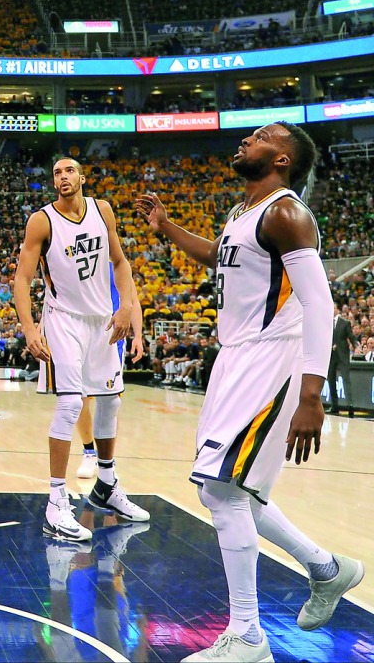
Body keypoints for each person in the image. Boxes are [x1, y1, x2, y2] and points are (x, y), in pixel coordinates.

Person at [137, 123, 365, 663]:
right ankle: (327, 569)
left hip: (273, 360)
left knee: (222, 491)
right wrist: (167, 226)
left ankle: (248, 635)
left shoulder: (288, 213)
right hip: (235, 360)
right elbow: (220, 259)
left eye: (260, 137)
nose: (245, 141)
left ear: (282, 159)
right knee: (229, 492)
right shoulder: (243, 214)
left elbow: (319, 305)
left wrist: (312, 394)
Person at [15, 157, 150, 544]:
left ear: (82, 177)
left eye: (69, 171)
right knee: (72, 403)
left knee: (110, 402)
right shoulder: (42, 221)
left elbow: (120, 263)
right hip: (64, 320)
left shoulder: (101, 209)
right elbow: (22, 278)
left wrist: (125, 305)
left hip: (102, 319)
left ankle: (106, 483)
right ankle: (56, 500)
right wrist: (29, 327)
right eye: (56, 172)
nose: (62, 177)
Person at [76, 263, 144, 481]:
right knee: (80, 400)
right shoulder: (81, 259)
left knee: (110, 402)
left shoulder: (118, 264)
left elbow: (133, 302)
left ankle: (107, 460)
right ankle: (89, 453)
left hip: (114, 339)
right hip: (83, 336)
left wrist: (139, 336)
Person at [328, 303, 357, 417]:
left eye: (334, 308)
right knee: (331, 380)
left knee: (346, 379)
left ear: (337, 309)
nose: (332, 310)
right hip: (331, 356)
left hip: (342, 354)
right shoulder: (326, 323)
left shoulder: (344, 322)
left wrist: (356, 345)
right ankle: (334, 406)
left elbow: (351, 336)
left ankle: (350, 405)